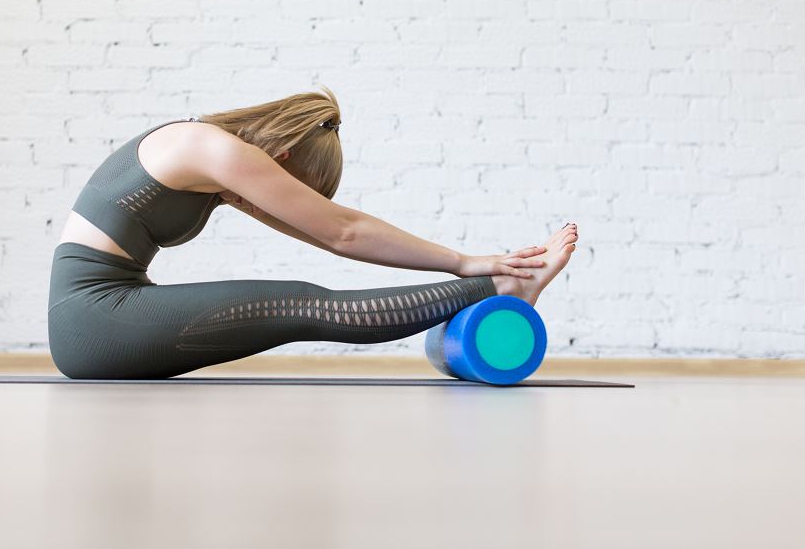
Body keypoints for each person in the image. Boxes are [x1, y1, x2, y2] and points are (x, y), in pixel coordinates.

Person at [47, 86, 579, 379]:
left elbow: (326, 235)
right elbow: (343, 231)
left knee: (303, 301)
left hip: (99, 312)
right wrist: (468, 266)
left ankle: (506, 288)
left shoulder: (201, 150)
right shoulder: (215, 150)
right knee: (304, 304)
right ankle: (510, 290)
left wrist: (461, 262)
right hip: (94, 319)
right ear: (280, 158)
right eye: (294, 184)